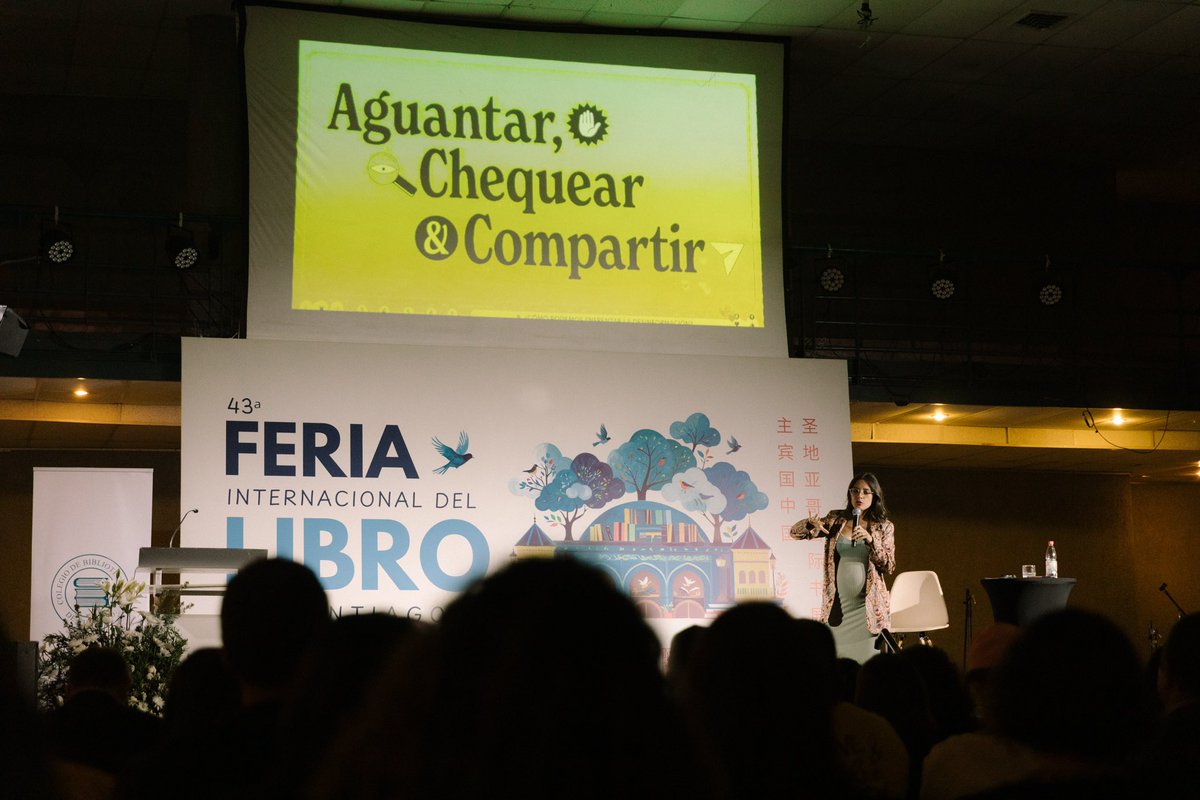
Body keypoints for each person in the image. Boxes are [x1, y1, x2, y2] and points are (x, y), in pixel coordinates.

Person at [790, 472, 895, 662]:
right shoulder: (835, 520)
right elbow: (795, 533)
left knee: (865, 664)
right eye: (855, 491)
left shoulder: (883, 527)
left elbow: (888, 565)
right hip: (838, 607)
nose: (859, 496)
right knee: (837, 665)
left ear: (875, 496)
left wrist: (871, 541)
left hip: (867, 611)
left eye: (865, 492)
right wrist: (809, 524)